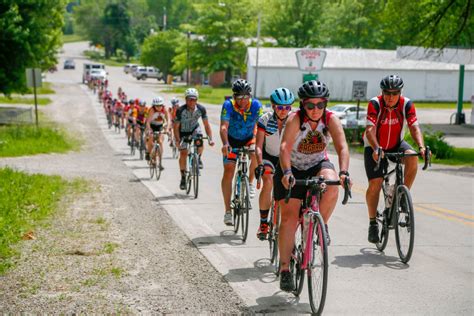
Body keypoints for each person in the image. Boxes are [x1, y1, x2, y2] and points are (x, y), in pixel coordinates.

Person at [276, 80, 351, 292]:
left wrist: (344, 172)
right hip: (291, 167)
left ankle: (320, 224)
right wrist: (288, 173)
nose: (316, 110)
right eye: (310, 105)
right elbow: (284, 147)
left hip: (317, 164)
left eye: (320, 105)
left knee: (332, 182)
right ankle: (284, 269)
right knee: (289, 218)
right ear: (303, 105)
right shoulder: (294, 119)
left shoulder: (330, 120)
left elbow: (342, 146)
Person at [364, 75, 426, 244]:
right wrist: (376, 148)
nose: (390, 97)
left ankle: (402, 195)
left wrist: (421, 147)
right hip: (375, 145)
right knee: (375, 183)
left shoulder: (406, 104)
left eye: (395, 93)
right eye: (387, 93)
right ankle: (372, 223)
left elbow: (414, 127)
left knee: (412, 156)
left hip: (396, 144)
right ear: (382, 92)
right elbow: (370, 130)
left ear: (400, 92)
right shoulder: (375, 103)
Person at [220, 79, 262, 226]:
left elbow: (259, 125)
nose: (243, 101)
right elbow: (224, 127)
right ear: (234, 97)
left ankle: (249, 183)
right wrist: (225, 144)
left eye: (246, 97)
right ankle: (227, 211)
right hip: (231, 141)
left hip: (249, 138)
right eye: (239, 97)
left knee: (255, 153)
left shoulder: (256, 105)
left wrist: (257, 140)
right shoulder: (228, 105)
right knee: (229, 171)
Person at [254, 87, 294, 240]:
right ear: (273, 106)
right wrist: (259, 164)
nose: (284, 111)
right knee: (268, 181)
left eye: (287, 107)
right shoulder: (265, 119)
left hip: (287, 158)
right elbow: (258, 146)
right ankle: (264, 222)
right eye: (280, 107)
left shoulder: (293, 120)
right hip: (269, 157)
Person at [174, 88, 215, 190]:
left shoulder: (201, 109)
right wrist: (177, 140)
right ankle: (183, 177)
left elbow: (206, 125)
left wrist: (210, 138)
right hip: (182, 131)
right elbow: (175, 127)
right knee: (183, 153)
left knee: (199, 141)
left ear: (197, 100)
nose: (191, 102)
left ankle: (198, 158)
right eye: (189, 99)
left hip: (194, 129)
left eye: (193, 99)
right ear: (185, 100)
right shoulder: (180, 110)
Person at [146, 96, 170, 166]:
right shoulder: (152, 110)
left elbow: (168, 121)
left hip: (160, 126)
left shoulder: (165, 109)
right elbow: (148, 122)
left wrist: (167, 129)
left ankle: (160, 161)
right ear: (154, 106)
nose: (158, 107)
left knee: (160, 141)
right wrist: (149, 130)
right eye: (156, 106)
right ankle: (148, 152)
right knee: (150, 138)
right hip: (151, 125)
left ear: (162, 105)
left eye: (160, 106)